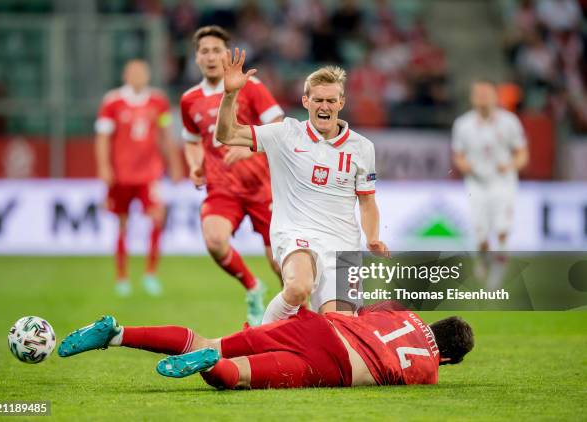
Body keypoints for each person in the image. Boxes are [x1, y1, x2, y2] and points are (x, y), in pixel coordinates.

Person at [214, 49, 390, 322]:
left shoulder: (362, 147)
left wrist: (373, 237)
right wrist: (229, 95)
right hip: (296, 234)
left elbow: (367, 202)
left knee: (340, 329)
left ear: (341, 102)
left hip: (343, 247)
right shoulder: (285, 133)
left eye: (331, 100)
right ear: (306, 101)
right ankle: (259, 341)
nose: (324, 106)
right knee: (298, 288)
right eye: (318, 99)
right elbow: (226, 134)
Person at [57, 307, 474, 389]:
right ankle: (209, 367)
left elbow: (360, 309)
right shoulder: (432, 369)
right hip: (332, 365)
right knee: (234, 376)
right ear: (450, 358)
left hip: (313, 326)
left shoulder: (397, 312)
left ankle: (116, 333)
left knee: (209, 340)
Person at [180, 26, 284, 326]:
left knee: (280, 264)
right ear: (196, 57)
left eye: (216, 50)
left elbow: (279, 125)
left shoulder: (250, 86)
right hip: (222, 188)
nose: (210, 56)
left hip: (263, 187)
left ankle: (296, 319)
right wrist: (195, 164)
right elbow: (191, 139)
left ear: (227, 54)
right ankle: (253, 287)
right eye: (204, 51)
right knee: (214, 239)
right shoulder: (189, 99)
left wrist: (252, 147)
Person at [95, 59, 180, 297]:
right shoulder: (112, 102)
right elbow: (102, 138)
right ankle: (122, 277)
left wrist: (174, 164)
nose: (137, 76)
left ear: (148, 75)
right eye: (133, 72)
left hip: (149, 174)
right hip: (121, 174)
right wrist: (104, 168)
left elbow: (165, 134)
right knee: (122, 224)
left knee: (157, 218)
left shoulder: (158, 102)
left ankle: (150, 274)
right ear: (125, 75)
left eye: (141, 72)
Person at [451, 80, 529, 275]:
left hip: (503, 181)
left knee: (502, 230)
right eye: (478, 94)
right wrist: (464, 165)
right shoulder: (463, 124)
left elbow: (522, 153)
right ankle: (483, 262)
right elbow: (458, 156)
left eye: (486, 94)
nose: (482, 98)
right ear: (472, 98)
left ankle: (497, 277)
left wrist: (511, 166)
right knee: (481, 234)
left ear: (495, 96)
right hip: (476, 182)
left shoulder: (509, 122)